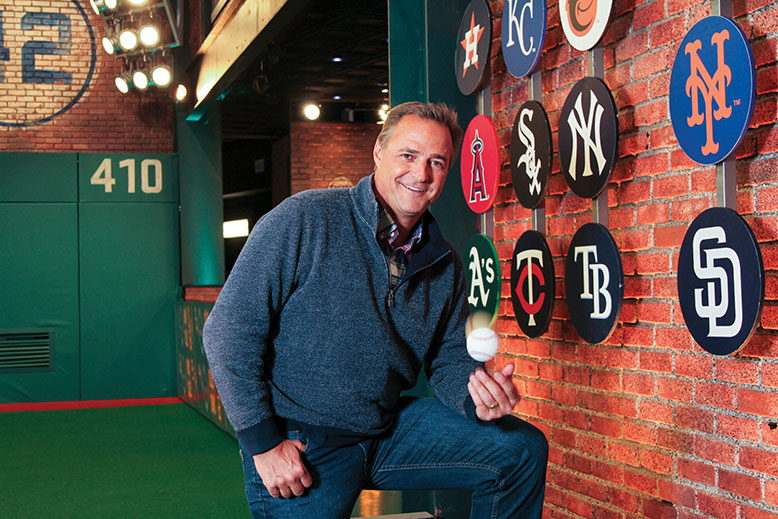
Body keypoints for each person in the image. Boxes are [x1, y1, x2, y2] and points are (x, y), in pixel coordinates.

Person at [202, 101, 548, 519]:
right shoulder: (304, 218)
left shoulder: (445, 263)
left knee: (520, 450)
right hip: (304, 441)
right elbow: (228, 331)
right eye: (408, 155)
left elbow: (451, 360)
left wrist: (476, 397)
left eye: (437, 162)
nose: (421, 174)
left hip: (385, 429)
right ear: (378, 152)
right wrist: (262, 444)